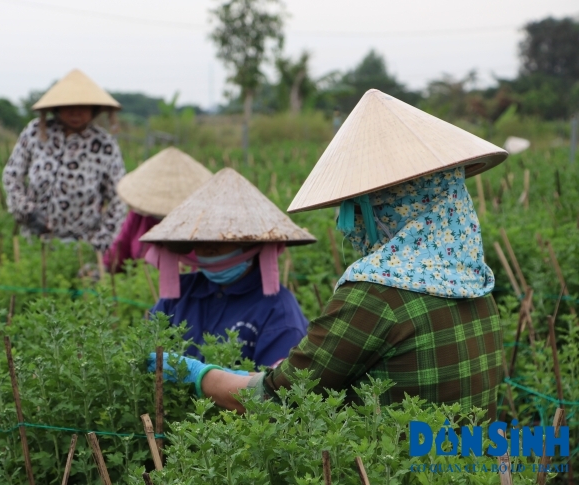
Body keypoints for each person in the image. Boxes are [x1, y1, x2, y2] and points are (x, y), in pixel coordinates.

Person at [150, 88, 509, 417]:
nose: (346, 222)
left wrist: (200, 374)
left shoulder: (377, 293)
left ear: (384, 207)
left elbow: (282, 397)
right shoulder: (473, 282)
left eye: (355, 207)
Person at [140, 167, 317, 368]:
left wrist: (204, 379)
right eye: (202, 238)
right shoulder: (178, 296)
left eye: (221, 238)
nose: (209, 247)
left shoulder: (278, 310)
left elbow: (275, 387)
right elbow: (143, 352)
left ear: (252, 242)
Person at [2, 69, 127, 252]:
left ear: (94, 110)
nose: (75, 112)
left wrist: (101, 242)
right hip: (35, 239)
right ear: (57, 108)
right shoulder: (36, 132)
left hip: (83, 245)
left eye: (82, 107)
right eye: (69, 106)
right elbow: (12, 176)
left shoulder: (103, 144)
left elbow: (119, 197)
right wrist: (27, 211)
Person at [103, 147, 212, 273]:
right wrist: (103, 269)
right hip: (141, 285)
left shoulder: (198, 226)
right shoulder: (139, 216)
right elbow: (120, 249)